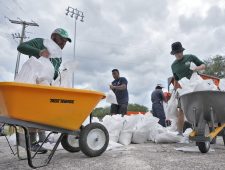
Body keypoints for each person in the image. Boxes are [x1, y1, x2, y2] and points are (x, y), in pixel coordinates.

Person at [17, 28, 71, 153]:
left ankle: (41, 138)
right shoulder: (40, 42)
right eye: (61, 40)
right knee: (32, 111)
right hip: (33, 81)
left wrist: (62, 76)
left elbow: (53, 72)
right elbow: (21, 47)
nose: (63, 43)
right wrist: (39, 52)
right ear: (53, 37)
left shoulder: (58, 56)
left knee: (42, 111)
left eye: (65, 42)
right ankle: (31, 142)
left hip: (46, 85)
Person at [170, 41, 205, 135]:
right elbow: (176, 79)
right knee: (181, 110)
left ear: (182, 51)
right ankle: (180, 133)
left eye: (180, 52)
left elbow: (203, 65)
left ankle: (202, 129)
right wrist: (175, 90)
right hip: (184, 90)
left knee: (199, 108)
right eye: (176, 53)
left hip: (196, 86)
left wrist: (196, 68)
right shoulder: (173, 66)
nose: (178, 54)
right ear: (174, 54)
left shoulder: (190, 57)